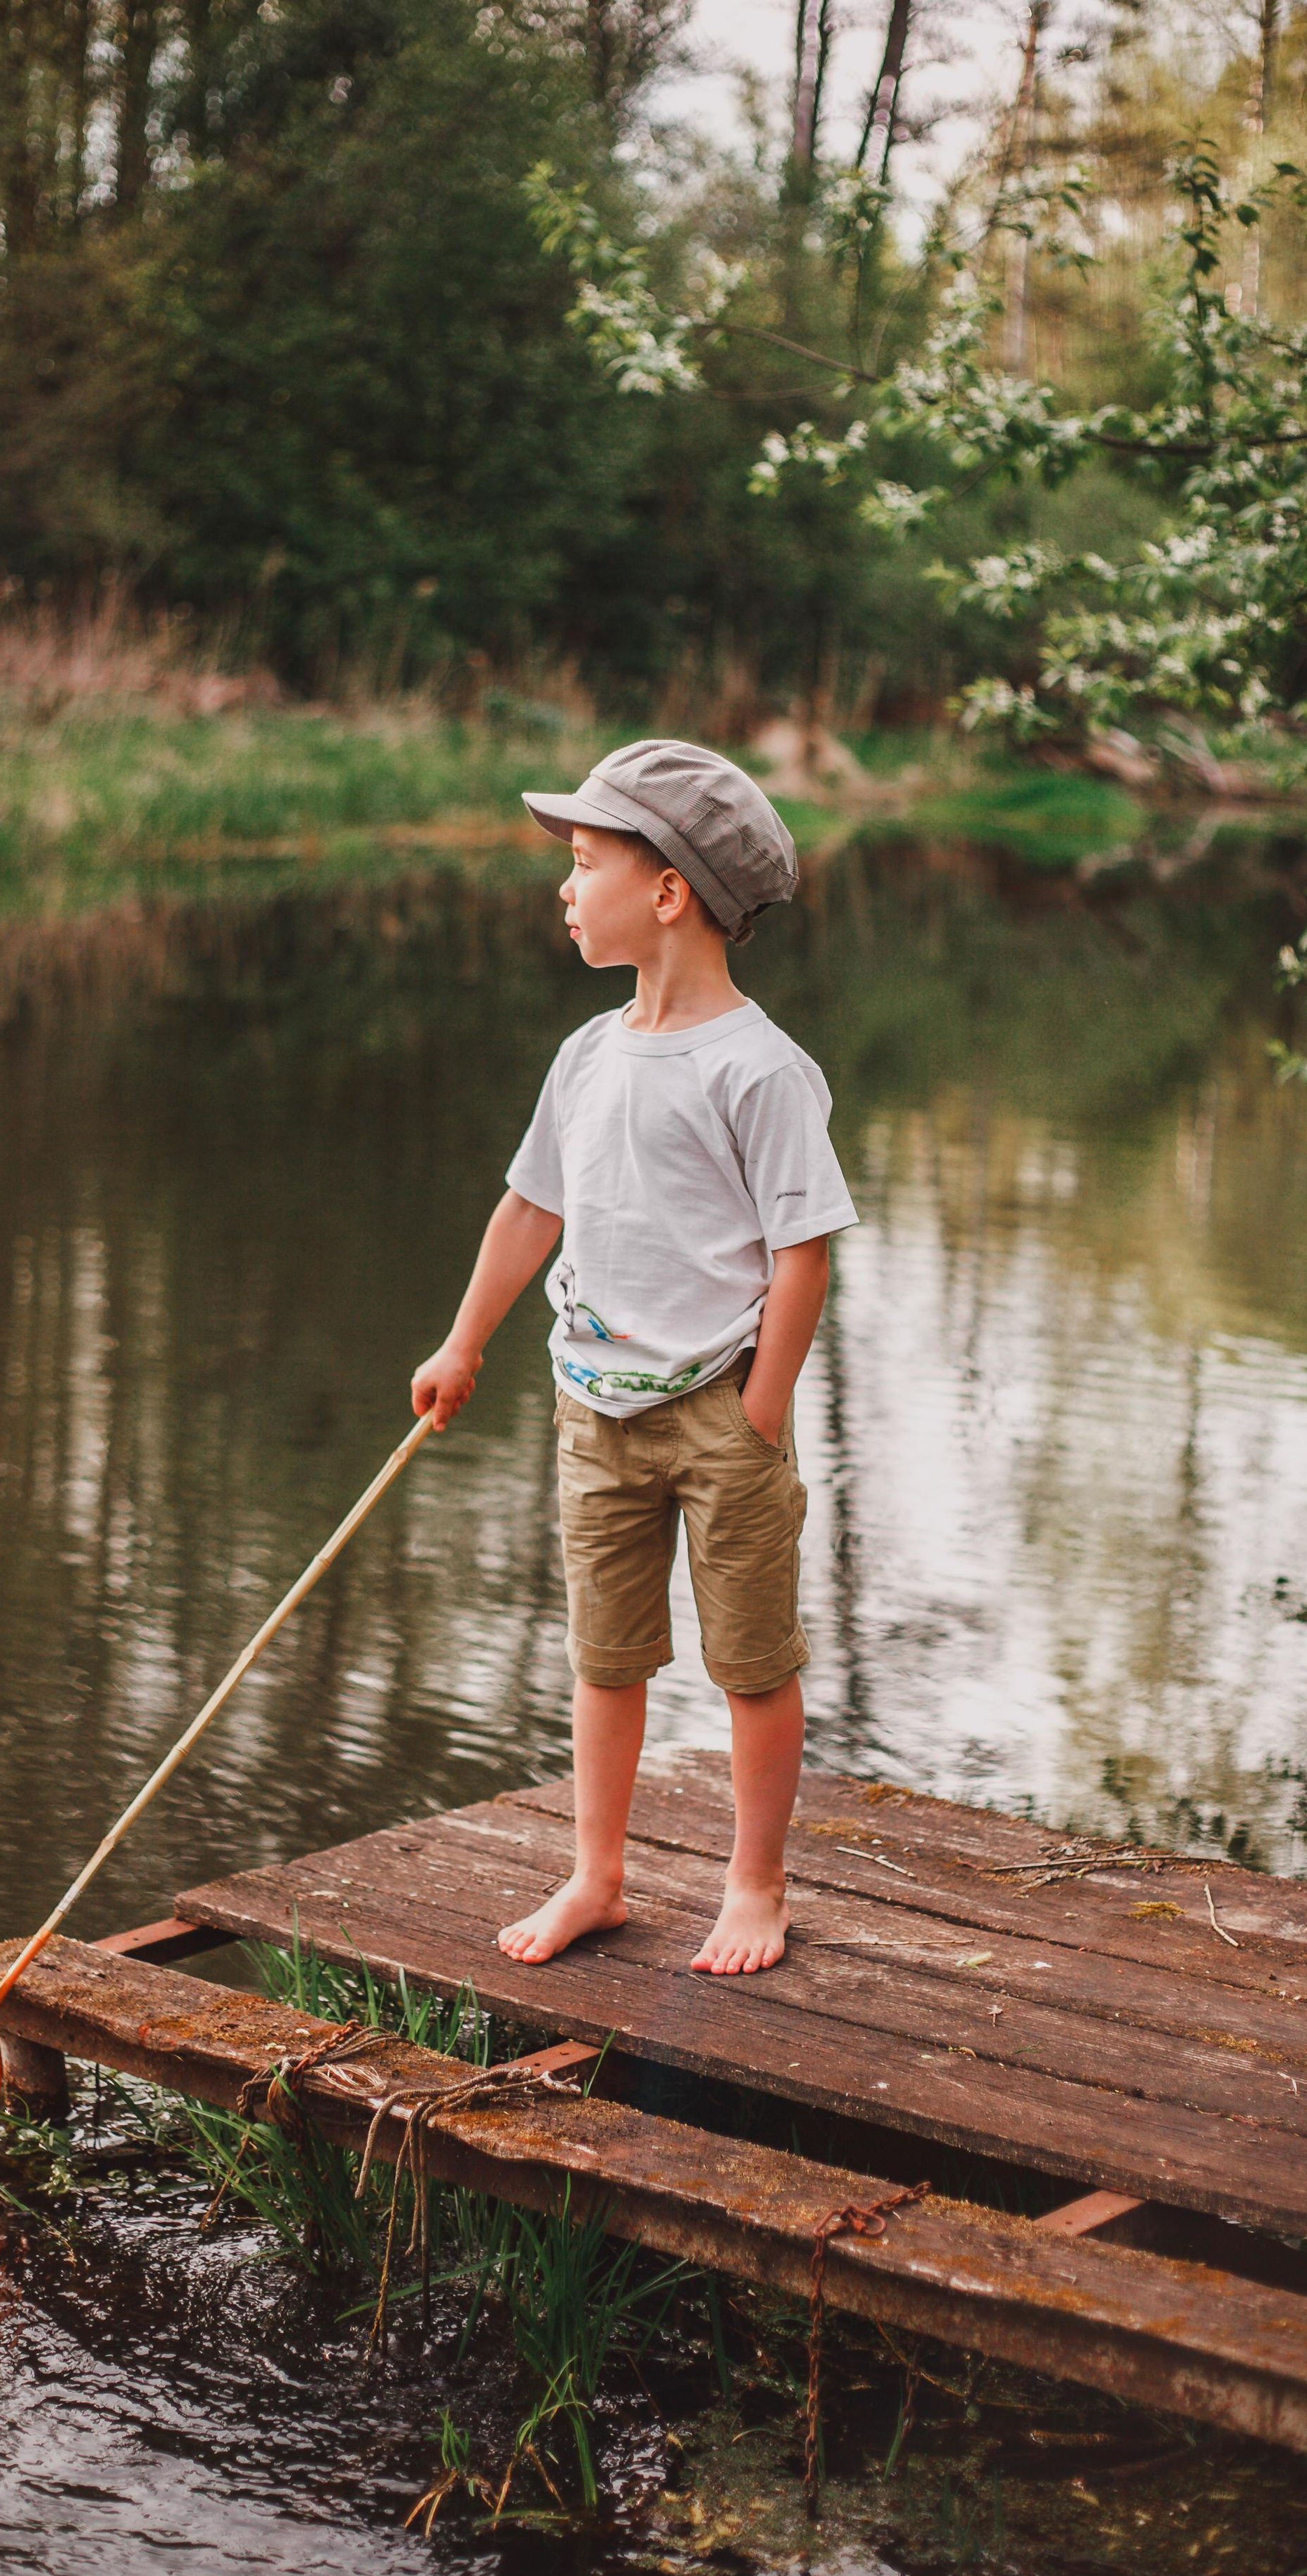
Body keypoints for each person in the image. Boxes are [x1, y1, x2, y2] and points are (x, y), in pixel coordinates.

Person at [410, 740, 857, 1975]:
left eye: (582, 862)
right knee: (606, 1662)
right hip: (592, 1409)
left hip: (720, 1412)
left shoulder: (758, 1068)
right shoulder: (586, 1055)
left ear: (667, 892)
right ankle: (595, 1876)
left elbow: (803, 1253)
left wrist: (758, 1418)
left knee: (751, 1666)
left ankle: (754, 1882)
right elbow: (529, 1210)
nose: (564, 887)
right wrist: (462, 1344)